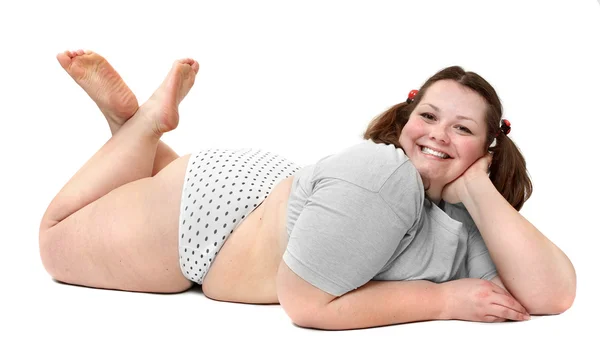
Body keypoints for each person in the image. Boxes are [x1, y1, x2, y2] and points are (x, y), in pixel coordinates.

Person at [39, 49, 576, 331]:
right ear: (406, 120)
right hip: (207, 221)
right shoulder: (385, 177)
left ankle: (125, 125)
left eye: (462, 128)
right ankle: (146, 123)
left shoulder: (457, 220)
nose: (437, 132)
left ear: (488, 148)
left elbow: (553, 294)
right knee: (54, 239)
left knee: (131, 190)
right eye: (430, 115)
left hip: (256, 197)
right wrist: (441, 301)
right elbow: (304, 304)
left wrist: (479, 188)